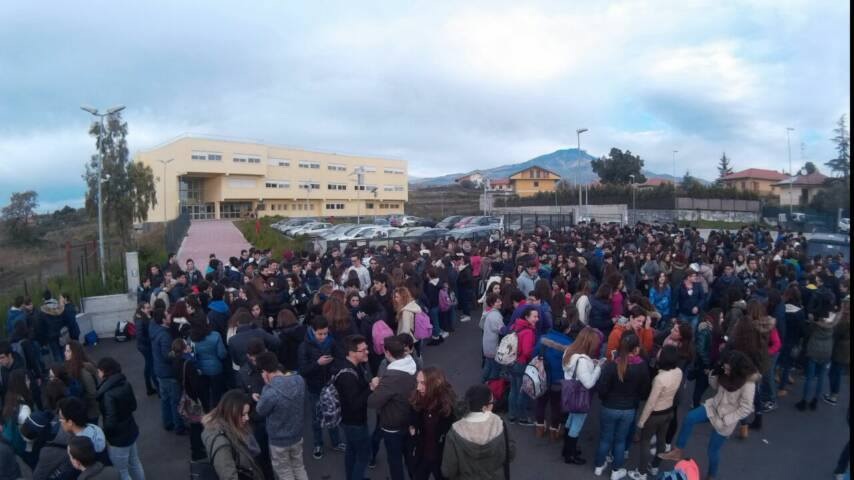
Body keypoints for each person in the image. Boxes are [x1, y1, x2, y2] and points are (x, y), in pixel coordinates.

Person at [659, 350, 759, 480]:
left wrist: (727, 419)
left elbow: (746, 408)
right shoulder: (726, 371)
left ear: (737, 370)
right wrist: (714, 374)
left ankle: (712, 475)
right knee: (690, 418)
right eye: (725, 367)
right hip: (713, 407)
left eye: (728, 369)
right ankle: (677, 451)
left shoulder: (748, 383)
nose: (726, 371)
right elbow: (716, 386)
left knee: (712, 451)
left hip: (725, 418)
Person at [593, 332, 651, 480]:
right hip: (628, 409)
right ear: (636, 349)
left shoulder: (612, 365)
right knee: (620, 441)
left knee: (605, 438)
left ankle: (599, 467)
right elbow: (645, 391)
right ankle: (615, 471)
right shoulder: (642, 367)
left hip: (609, 407)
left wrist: (605, 399)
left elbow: (602, 388)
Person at [367, 335, 417, 480]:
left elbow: (373, 402)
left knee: (395, 461)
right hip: (409, 420)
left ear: (387, 353)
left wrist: (376, 386)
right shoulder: (412, 364)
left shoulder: (391, 376)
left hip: (393, 425)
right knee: (410, 457)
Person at [441, 384, 514, 479]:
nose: (493, 404)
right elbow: (510, 453)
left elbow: (448, 470)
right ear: (484, 408)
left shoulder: (455, 431)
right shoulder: (500, 424)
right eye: (492, 402)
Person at [253, 351, 308, 480]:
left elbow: (260, 410)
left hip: (278, 441)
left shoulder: (270, 392)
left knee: (284, 472)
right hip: (297, 434)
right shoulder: (299, 380)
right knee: (299, 467)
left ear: (265, 372)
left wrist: (264, 391)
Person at [632, 345, 682, 480]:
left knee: (645, 442)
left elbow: (651, 402)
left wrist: (642, 421)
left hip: (655, 414)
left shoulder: (659, 379)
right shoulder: (678, 372)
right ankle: (654, 467)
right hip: (669, 411)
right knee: (661, 440)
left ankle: (641, 473)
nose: (658, 353)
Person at [297, 316, 344, 459]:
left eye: (325, 333)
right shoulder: (304, 346)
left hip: (330, 384)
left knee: (332, 414)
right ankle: (318, 444)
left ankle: (336, 442)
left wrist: (333, 371)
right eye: (320, 334)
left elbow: (339, 358)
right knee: (317, 417)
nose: (323, 337)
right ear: (312, 331)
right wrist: (318, 363)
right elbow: (303, 370)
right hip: (314, 387)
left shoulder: (332, 342)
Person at [95, 357, 144, 480]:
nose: (98, 373)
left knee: (121, 471)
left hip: (118, 438)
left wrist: (106, 433)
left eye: (99, 370)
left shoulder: (107, 394)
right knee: (135, 463)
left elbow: (110, 422)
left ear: (105, 371)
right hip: (130, 430)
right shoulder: (125, 383)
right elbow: (133, 406)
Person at [562, 326, 604, 466]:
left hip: (569, 392)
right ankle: (571, 454)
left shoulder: (569, 351)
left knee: (570, 420)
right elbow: (589, 383)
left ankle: (566, 449)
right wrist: (598, 367)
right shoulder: (583, 361)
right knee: (577, 424)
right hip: (581, 396)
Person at [201, 390, 265, 480]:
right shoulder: (221, 443)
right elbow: (229, 476)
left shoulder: (230, 427)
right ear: (231, 413)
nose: (247, 418)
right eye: (243, 414)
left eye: (247, 413)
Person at [408, 367, 457, 480]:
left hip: (441, 459)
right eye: (417, 382)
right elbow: (412, 422)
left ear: (436, 384)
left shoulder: (448, 407)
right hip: (421, 456)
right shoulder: (416, 399)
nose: (418, 387)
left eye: (423, 383)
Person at [335, 335, 372, 480]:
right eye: (363, 350)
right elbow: (355, 404)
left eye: (366, 349)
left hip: (347, 420)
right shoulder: (348, 376)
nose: (367, 352)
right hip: (355, 422)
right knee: (363, 455)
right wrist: (371, 388)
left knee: (351, 451)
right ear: (351, 353)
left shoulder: (351, 366)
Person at [535, 315, 572, 440]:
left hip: (542, 377)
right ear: (567, 329)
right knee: (556, 406)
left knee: (541, 403)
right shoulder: (569, 344)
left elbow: (534, 355)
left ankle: (539, 427)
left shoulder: (543, 339)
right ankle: (553, 430)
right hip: (558, 380)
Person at [149, 304, 184, 435]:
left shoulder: (155, 330)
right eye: (168, 315)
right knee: (175, 400)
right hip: (168, 373)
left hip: (159, 371)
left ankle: (167, 422)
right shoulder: (165, 336)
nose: (170, 316)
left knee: (165, 399)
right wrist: (180, 353)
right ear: (163, 319)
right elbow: (167, 355)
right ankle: (178, 426)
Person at [796, 305, 839, 411]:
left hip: (814, 349)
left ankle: (804, 401)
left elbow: (807, 332)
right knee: (821, 377)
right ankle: (815, 401)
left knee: (809, 378)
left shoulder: (815, 324)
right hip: (826, 351)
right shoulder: (833, 324)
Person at [187, 315, 227, 410]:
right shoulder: (216, 335)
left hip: (200, 370)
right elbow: (222, 354)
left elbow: (191, 355)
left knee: (205, 394)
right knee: (216, 394)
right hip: (216, 369)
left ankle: (207, 411)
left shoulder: (191, 338)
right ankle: (217, 411)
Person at [508, 306, 539, 426]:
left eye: (537, 316)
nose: (537, 319)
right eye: (534, 316)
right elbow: (527, 352)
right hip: (521, 363)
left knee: (513, 389)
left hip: (512, 361)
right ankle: (522, 418)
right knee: (522, 391)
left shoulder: (516, 326)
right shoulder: (529, 332)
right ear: (527, 317)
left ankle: (511, 415)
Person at [57, 397, 110, 466]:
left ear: (70, 422)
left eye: (61, 418)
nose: (59, 421)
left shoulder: (78, 447)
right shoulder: (94, 427)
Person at [64, 341, 100, 425]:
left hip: (90, 413)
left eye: (68, 351)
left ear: (75, 353)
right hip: (83, 411)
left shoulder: (83, 370)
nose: (65, 353)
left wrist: (78, 399)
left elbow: (92, 393)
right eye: (65, 350)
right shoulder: (72, 366)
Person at [133, 303, 157, 396]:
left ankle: (149, 388)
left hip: (143, 346)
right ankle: (157, 388)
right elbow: (139, 336)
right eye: (147, 308)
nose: (150, 309)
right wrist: (150, 341)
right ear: (142, 309)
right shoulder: (140, 319)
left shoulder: (144, 317)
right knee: (151, 366)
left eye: (149, 307)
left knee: (148, 366)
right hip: (145, 347)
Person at [481, 293, 504, 383]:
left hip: (487, 344)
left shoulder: (488, 313)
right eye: (497, 302)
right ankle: (491, 384)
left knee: (488, 364)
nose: (500, 303)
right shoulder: (495, 316)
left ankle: (484, 380)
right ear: (491, 304)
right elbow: (501, 330)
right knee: (495, 368)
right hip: (493, 346)